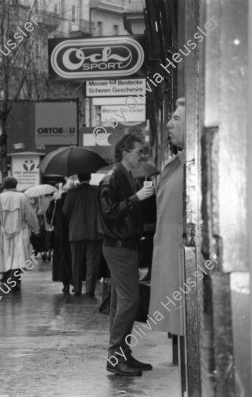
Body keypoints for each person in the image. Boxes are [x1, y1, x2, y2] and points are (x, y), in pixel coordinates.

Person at [98, 133, 155, 376]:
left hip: (124, 244)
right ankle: (116, 356)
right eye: (138, 151)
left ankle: (122, 354)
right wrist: (136, 197)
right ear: (125, 152)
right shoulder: (112, 178)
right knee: (129, 300)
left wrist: (138, 197)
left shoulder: (123, 176)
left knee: (121, 302)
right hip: (118, 245)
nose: (141, 155)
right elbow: (108, 211)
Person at [149, 98, 186, 337]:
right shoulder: (176, 165)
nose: (169, 125)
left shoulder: (191, 166)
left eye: (176, 119)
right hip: (171, 258)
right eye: (170, 118)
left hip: (182, 263)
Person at [0, 177, 39, 292]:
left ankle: (9, 279)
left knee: (6, 257)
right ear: (16, 185)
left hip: (4, 233)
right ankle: (13, 280)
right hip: (20, 232)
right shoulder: (22, 197)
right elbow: (30, 215)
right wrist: (35, 228)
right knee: (19, 258)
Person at [63, 173, 103, 297]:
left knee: (76, 261)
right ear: (90, 178)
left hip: (76, 231)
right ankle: (90, 289)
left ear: (79, 179)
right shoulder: (97, 191)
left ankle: (77, 288)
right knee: (92, 260)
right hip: (94, 231)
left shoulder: (72, 192)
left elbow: (65, 211)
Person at [46, 182, 73, 293]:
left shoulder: (55, 200)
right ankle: (74, 280)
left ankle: (65, 283)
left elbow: (49, 218)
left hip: (60, 233)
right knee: (73, 257)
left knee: (62, 257)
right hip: (72, 231)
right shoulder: (73, 199)